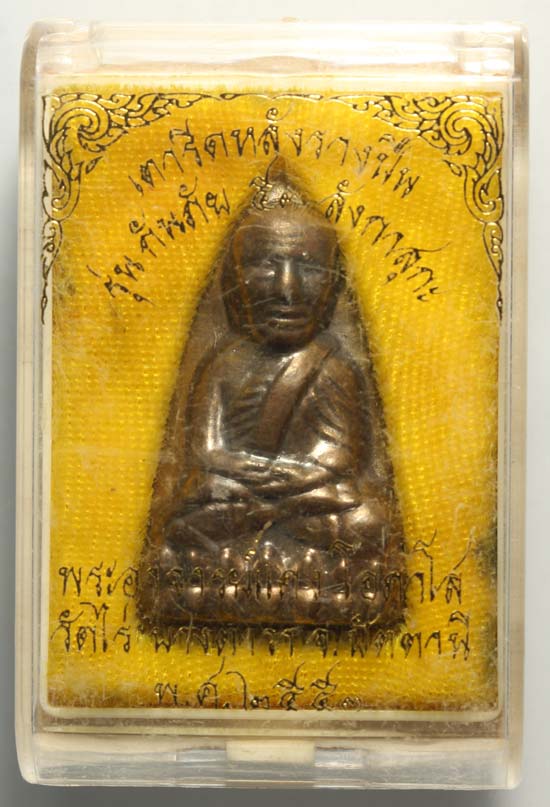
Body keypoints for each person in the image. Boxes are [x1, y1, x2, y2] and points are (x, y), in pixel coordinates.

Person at [139, 159, 404, 627]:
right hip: (239, 492)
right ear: (233, 281)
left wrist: (292, 477)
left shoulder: (332, 365)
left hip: (308, 498)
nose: (287, 289)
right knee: (185, 518)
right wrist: (246, 471)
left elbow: (342, 456)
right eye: (266, 265)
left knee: (367, 523)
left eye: (309, 268)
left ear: (333, 284)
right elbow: (205, 449)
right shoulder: (222, 363)